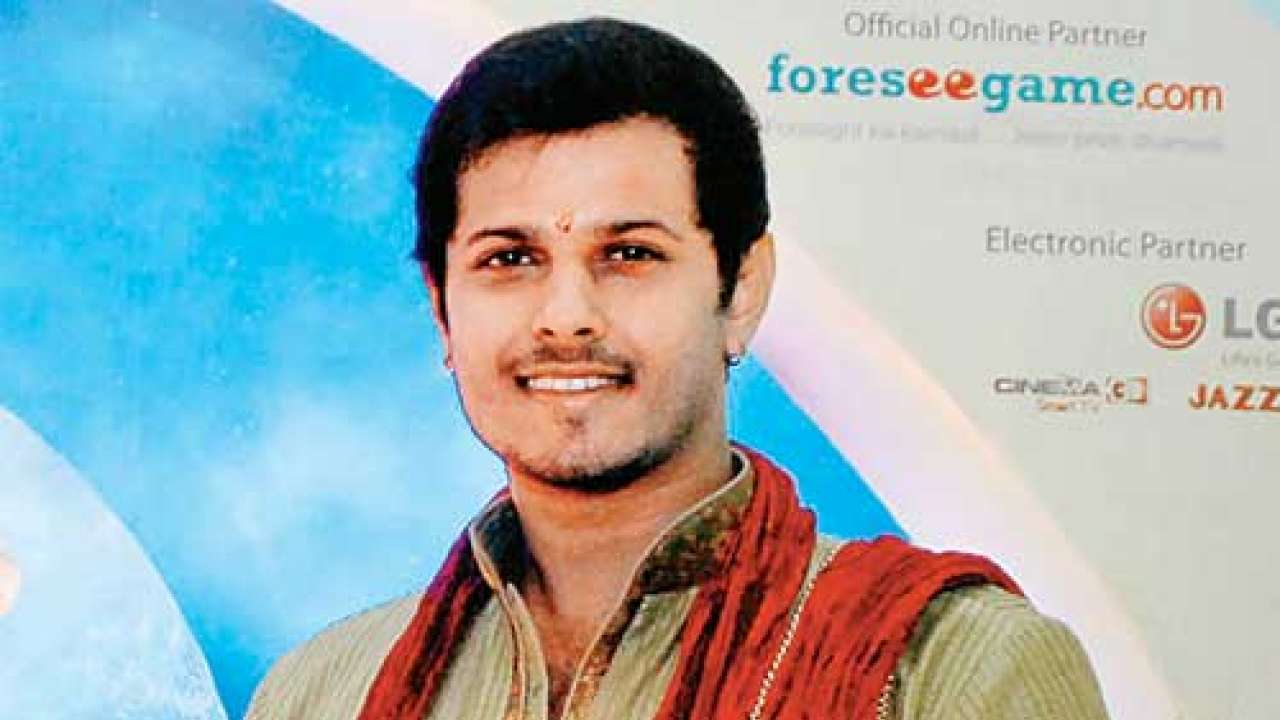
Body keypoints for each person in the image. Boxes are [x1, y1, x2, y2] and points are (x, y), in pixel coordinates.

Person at [248, 18, 1110, 720]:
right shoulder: (325, 694)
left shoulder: (946, 670)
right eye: (510, 259)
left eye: (628, 253)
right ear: (442, 308)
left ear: (741, 290)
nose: (566, 315)